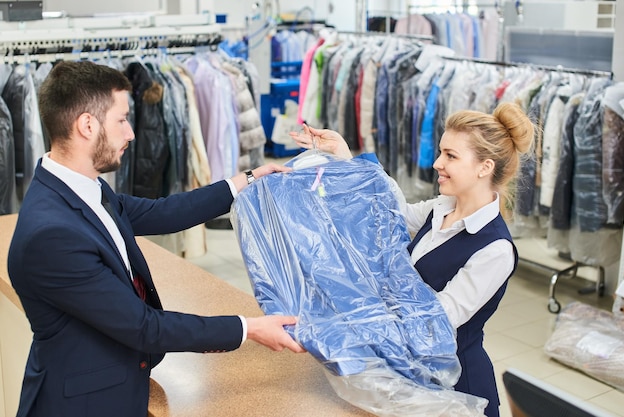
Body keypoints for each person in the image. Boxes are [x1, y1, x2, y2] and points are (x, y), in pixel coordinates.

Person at [7, 60, 305, 417]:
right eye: (121, 119)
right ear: (86, 125)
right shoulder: (52, 235)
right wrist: (249, 328)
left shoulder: (81, 188)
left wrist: (248, 180)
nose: (131, 133)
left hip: (109, 387)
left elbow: (164, 212)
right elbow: (144, 327)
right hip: (83, 403)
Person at [290, 102, 535, 417]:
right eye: (440, 152)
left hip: (457, 390)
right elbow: (393, 211)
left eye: (451, 156)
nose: (436, 163)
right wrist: (346, 157)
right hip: (412, 374)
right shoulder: (442, 208)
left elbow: (439, 319)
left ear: (484, 167)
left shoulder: (495, 249)